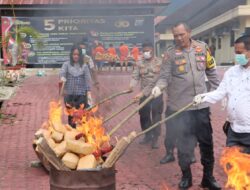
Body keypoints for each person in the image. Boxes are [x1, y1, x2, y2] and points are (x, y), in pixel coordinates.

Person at [151, 22, 221, 189]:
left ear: (189, 32)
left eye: (181, 34)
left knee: (206, 144)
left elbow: (210, 70)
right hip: (180, 109)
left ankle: (208, 178)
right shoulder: (170, 54)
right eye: (175, 35)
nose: (178, 38)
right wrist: (158, 87)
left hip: (201, 107)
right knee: (184, 145)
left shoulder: (202, 48)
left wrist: (218, 91)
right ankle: (186, 177)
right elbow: (164, 76)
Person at [194, 35, 250, 152]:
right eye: (235, 52)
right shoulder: (231, 72)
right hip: (233, 129)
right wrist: (203, 97)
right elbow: (220, 92)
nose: (237, 56)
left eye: (240, 52)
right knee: (231, 163)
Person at [129, 41, 163, 149]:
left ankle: (155, 138)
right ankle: (147, 135)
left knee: (156, 115)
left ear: (152, 50)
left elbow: (158, 80)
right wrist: (131, 86)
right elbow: (135, 76)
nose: (145, 53)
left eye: (147, 51)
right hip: (143, 94)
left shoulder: (159, 62)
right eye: (143, 51)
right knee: (144, 115)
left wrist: (143, 92)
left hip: (156, 93)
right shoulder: (139, 62)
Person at [59, 45, 92, 128]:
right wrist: (62, 78)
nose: (76, 56)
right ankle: (71, 133)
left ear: (80, 55)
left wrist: (89, 94)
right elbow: (62, 74)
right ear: (71, 55)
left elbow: (88, 80)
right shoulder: (66, 64)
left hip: (81, 95)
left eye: (77, 54)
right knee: (71, 116)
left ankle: (81, 134)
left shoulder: (84, 66)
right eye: (74, 54)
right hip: (69, 95)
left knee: (81, 115)